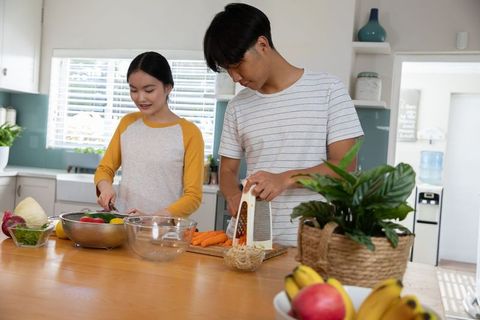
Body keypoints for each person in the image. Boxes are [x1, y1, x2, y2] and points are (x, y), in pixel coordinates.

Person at [203, 3, 364, 246]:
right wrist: (233, 194)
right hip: (249, 244)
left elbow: (345, 167)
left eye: (237, 65)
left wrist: (285, 179)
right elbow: (227, 171)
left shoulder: (328, 90)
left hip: (309, 242)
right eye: (228, 70)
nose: (235, 77)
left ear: (262, 44)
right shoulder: (238, 106)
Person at [94, 51, 204, 217]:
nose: (140, 98)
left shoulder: (189, 133)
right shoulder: (128, 123)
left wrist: (153, 219)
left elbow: (193, 197)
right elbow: (105, 169)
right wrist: (105, 188)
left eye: (149, 90)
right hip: (124, 226)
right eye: (134, 90)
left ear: (168, 87)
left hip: (165, 233)